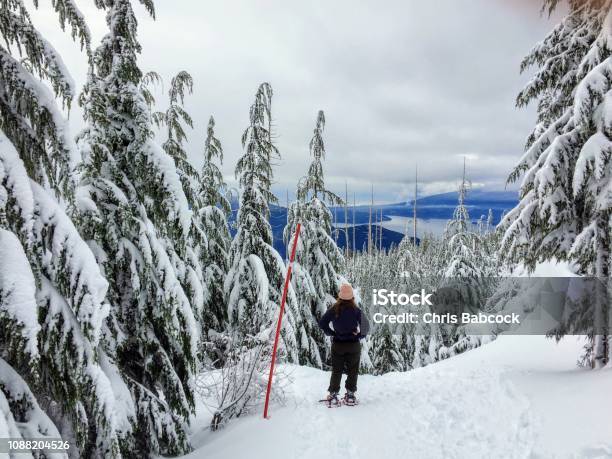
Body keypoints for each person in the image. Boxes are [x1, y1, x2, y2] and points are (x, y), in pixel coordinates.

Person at [318, 283, 369, 406]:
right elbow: (366, 327)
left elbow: (322, 323)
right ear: (352, 297)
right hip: (353, 345)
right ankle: (350, 396)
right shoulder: (356, 311)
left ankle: (333, 396)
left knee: (337, 370)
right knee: (353, 370)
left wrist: (331, 333)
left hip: (338, 344)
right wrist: (358, 336)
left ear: (340, 297)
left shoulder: (334, 309)